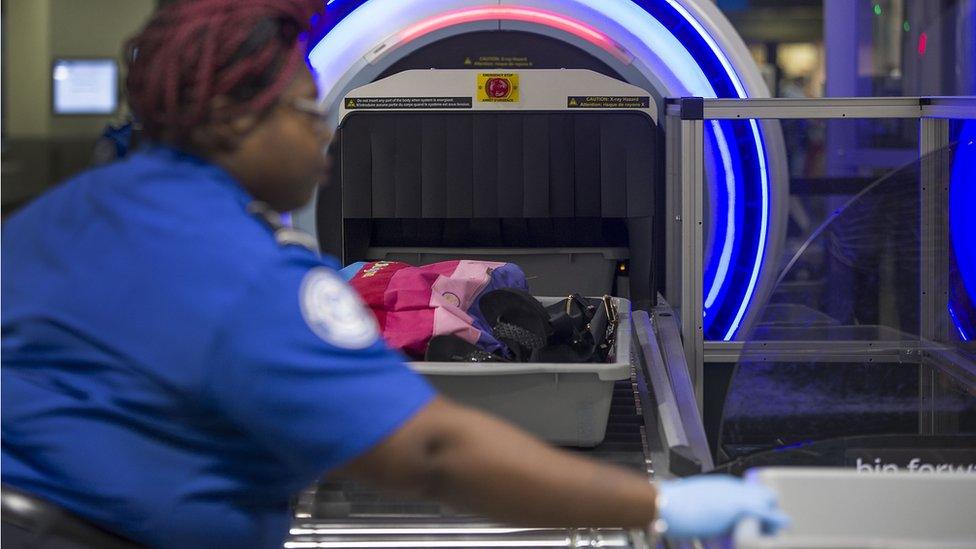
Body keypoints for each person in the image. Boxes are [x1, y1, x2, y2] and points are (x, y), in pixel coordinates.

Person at [0, 1, 789, 547]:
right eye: (311, 115)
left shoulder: (54, 218)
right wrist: (657, 500)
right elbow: (432, 451)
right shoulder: (249, 273)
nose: (326, 144)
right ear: (238, 120)